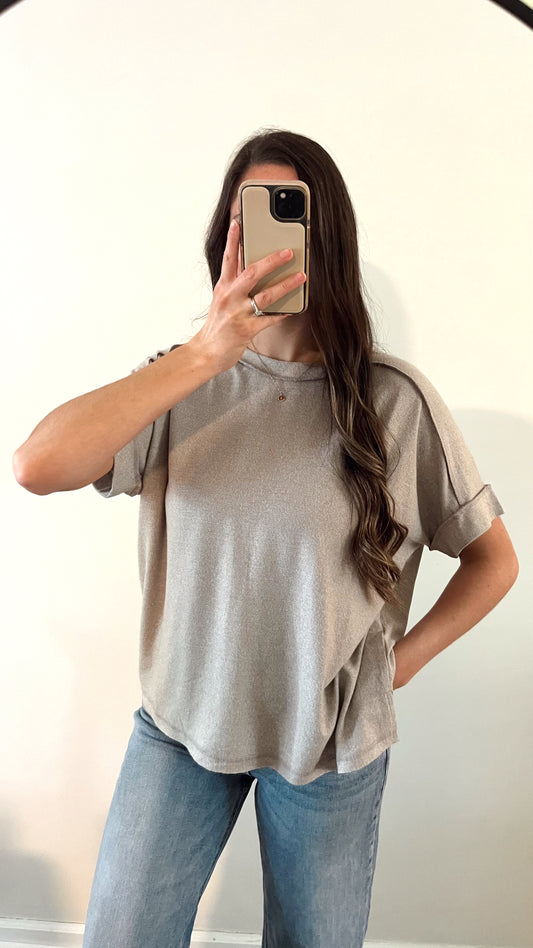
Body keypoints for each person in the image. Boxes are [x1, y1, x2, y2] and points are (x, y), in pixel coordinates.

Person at [12, 128, 518, 948]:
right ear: (226, 237)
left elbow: (492, 562)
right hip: (181, 725)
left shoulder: (395, 401)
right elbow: (36, 465)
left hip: (328, 746)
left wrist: (395, 667)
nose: (271, 245)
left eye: (292, 220)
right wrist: (202, 355)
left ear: (328, 240)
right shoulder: (179, 382)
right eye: (251, 219)